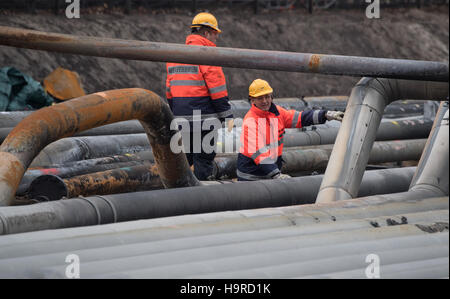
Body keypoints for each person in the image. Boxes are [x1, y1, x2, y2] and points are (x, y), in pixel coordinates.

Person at [166, 12, 233, 180]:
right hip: (205, 120)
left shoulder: (175, 55)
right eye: (215, 35)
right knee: (203, 159)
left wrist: (177, 113)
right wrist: (227, 115)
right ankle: (201, 199)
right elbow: (217, 90)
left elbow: (169, 90)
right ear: (206, 33)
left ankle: (182, 197)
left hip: (183, 118)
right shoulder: (207, 54)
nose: (216, 39)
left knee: (187, 158)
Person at [237, 79, 344, 181]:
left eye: (267, 97)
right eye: (260, 98)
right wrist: (276, 175)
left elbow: (300, 118)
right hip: (251, 178)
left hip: (269, 174)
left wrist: (325, 115)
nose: (265, 101)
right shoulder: (250, 122)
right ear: (252, 100)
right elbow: (260, 154)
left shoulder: (276, 112)